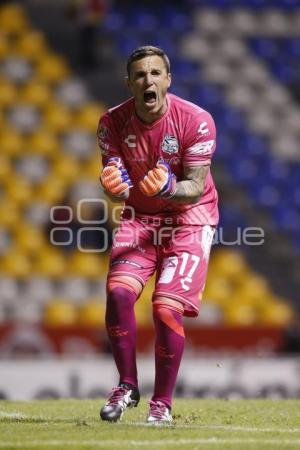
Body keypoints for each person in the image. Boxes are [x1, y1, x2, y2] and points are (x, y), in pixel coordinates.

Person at [97, 46, 219, 424]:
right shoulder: (110, 123)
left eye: (154, 73)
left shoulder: (197, 120)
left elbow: (195, 187)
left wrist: (169, 186)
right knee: (118, 292)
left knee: (165, 308)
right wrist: (112, 187)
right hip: (141, 218)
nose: (147, 80)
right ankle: (127, 385)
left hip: (190, 218)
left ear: (167, 79)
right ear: (129, 83)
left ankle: (162, 404)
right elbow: (115, 182)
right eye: (139, 75)